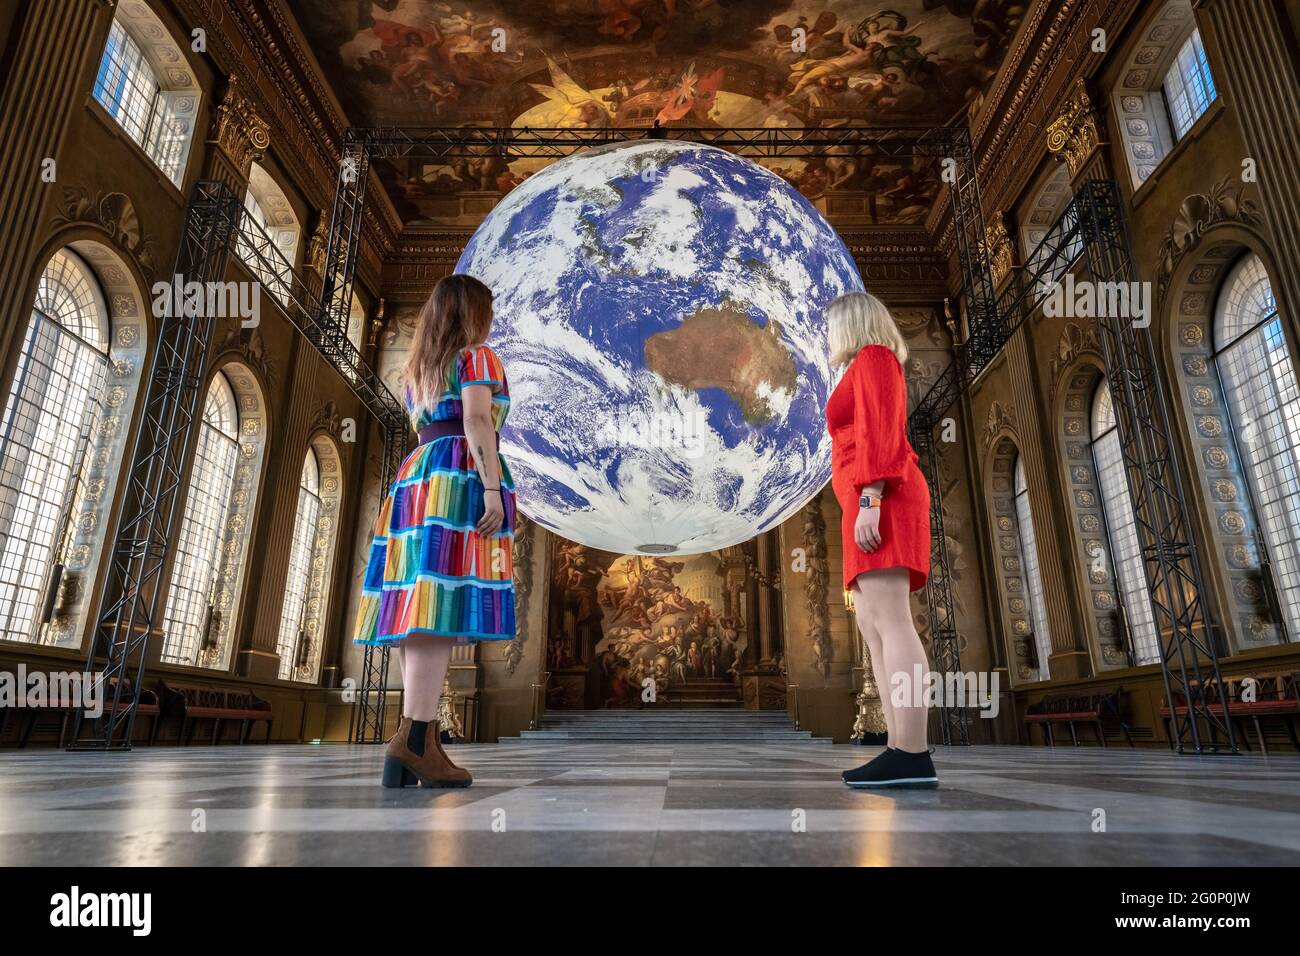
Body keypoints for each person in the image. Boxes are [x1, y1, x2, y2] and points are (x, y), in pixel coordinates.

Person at [352, 273, 515, 788]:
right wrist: (492, 488)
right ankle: (419, 738)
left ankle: (413, 740)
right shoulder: (478, 356)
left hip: (416, 478)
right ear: (473, 314)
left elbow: (438, 423)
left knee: (419, 603)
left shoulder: (418, 370)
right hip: (456, 478)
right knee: (437, 605)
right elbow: (477, 421)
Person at [824, 291, 937, 789]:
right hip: (863, 501)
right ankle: (897, 748)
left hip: (883, 496)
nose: (829, 336)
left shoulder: (875, 357)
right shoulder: (860, 365)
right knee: (872, 626)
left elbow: (882, 430)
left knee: (892, 622)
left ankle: (913, 751)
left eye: (832, 326)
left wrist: (870, 497)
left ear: (852, 323)